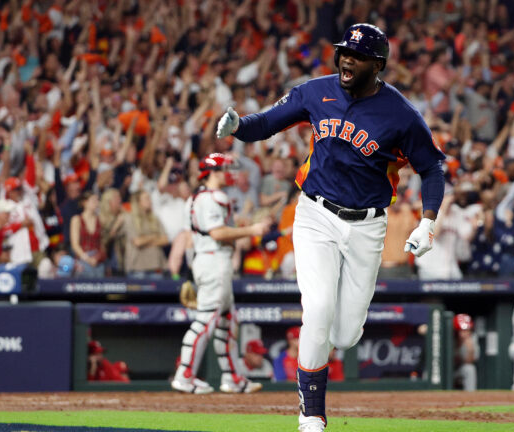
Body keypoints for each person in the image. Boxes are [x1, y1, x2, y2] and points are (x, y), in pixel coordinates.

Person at [216, 23, 445, 431]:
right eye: (344, 53)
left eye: (357, 56)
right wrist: (238, 127)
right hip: (315, 214)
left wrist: (428, 220)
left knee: (345, 334)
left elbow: (432, 168)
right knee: (318, 309)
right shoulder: (316, 91)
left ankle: (320, 381)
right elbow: (266, 123)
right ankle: (312, 415)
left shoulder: (400, 114)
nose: (347, 60)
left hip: (367, 227)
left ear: (377, 65)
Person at [171, 153, 269, 395]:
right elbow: (217, 233)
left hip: (205, 260)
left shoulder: (193, 199)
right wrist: (252, 229)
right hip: (214, 261)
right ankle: (184, 375)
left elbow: (190, 239)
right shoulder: (213, 198)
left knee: (227, 322)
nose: (229, 173)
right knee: (206, 320)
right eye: (224, 169)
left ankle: (232, 377)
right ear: (213, 173)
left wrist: (192, 272)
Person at [123, 190, 168, 278]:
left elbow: (165, 240)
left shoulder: (155, 218)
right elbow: (138, 242)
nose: (150, 201)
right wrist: (154, 236)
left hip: (156, 266)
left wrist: (145, 240)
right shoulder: (130, 218)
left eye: (150, 198)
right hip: (137, 268)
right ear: (138, 202)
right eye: (146, 199)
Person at [70, 192, 105, 277]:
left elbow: (103, 243)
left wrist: (97, 258)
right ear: (84, 202)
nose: (97, 203)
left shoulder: (101, 220)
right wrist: (87, 259)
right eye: (93, 200)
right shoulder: (77, 220)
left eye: (97, 200)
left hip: (97, 259)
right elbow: (75, 245)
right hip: (83, 258)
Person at [453, 314, 478, 392]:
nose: (466, 333)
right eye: (463, 330)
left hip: (458, 371)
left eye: (468, 330)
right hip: (446, 373)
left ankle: (470, 396)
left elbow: (470, 361)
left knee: (469, 369)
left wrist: (470, 349)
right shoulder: (449, 339)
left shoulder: (472, 339)